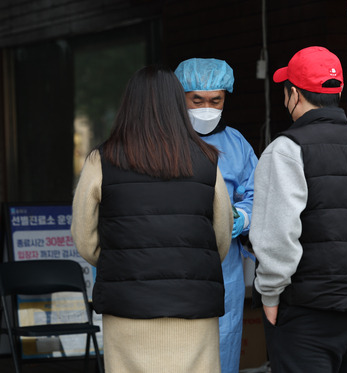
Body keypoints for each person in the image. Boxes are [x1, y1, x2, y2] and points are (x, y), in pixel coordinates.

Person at [249, 46, 347, 373]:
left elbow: (277, 238)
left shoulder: (287, 150)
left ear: (293, 94)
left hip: (307, 312)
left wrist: (270, 295)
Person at [71, 65, 233, 373]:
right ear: (177, 104)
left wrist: (119, 261)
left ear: (129, 104)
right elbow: (220, 238)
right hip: (194, 308)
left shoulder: (102, 160)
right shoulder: (207, 160)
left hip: (127, 309)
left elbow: (84, 238)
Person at [174, 58, 258, 373]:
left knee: (224, 338)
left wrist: (245, 217)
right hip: (175, 258)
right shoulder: (164, 142)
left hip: (225, 265)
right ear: (179, 97)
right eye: (197, 100)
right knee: (178, 343)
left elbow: (258, 191)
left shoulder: (236, 144)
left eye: (216, 100)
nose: (207, 107)